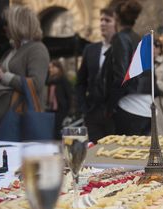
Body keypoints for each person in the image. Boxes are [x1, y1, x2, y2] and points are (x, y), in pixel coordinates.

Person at [0, 5, 50, 139]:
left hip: (18, 117)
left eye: (7, 24)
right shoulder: (11, 51)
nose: (4, 28)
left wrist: (3, 76)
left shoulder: (37, 49)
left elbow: (36, 84)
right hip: (0, 114)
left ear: (19, 24)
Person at [105, 0, 151, 135]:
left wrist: (110, 106)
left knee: (125, 153)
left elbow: (122, 76)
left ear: (117, 18)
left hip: (129, 106)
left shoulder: (120, 38)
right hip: (147, 107)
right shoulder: (139, 38)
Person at [76, 6, 116, 143]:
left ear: (117, 23)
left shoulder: (122, 49)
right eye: (101, 20)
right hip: (92, 112)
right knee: (94, 153)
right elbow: (80, 82)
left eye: (107, 20)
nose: (102, 23)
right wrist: (83, 107)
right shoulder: (90, 49)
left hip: (114, 114)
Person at [47, 60, 73, 139]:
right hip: (51, 109)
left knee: (59, 129)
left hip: (61, 109)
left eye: (53, 67)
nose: (51, 69)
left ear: (59, 68)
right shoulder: (50, 81)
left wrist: (70, 110)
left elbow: (70, 95)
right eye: (50, 67)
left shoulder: (63, 80)